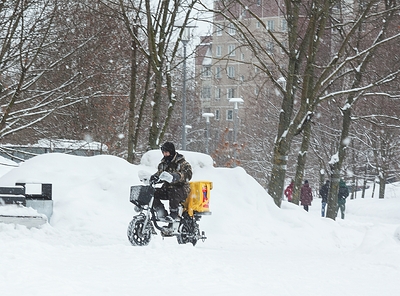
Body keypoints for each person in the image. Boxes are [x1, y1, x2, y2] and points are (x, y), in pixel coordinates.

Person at [150, 142, 192, 222]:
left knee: (174, 192)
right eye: (163, 152)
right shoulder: (163, 164)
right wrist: (154, 178)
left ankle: (174, 214)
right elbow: (161, 174)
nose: (165, 154)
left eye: (166, 152)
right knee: (151, 193)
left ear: (171, 151)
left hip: (181, 189)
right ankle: (161, 212)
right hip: (167, 189)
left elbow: (188, 174)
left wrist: (176, 176)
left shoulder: (182, 163)